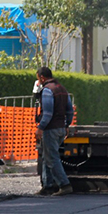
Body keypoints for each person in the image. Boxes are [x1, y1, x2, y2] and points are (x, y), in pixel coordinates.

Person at [35, 67, 74, 196]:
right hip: (61, 129)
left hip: (50, 129)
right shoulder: (62, 89)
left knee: (51, 157)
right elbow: (69, 110)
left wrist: (40, 128)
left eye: (38, 79)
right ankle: (48, 186)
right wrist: (67, 124)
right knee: (47, 156)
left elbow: (47, 113)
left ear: (42, 77)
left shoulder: (47, 90)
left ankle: (64, 184)